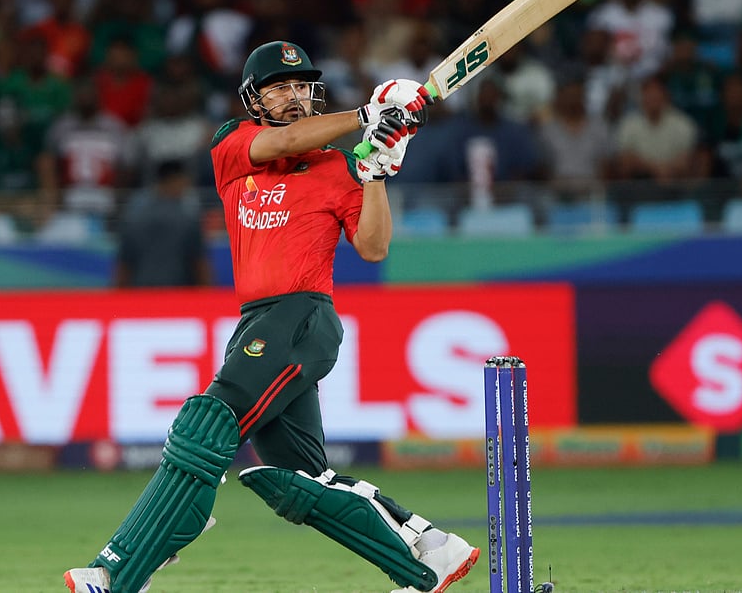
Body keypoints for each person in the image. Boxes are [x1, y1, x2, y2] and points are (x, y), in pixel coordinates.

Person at [62, 40, 479, 593]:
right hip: (260, 321)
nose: (293, 97)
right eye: (278, 87)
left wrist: (376, 169)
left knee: (207, 423)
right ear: (253, 100)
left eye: (301, 87)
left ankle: (122, 569)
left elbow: (374, 247)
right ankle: (431, 555)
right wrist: (362, 117)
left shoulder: (339, 169)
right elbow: (283, 141)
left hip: (300, 316)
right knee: (300, 481)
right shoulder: (233, 145)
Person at [114, 159, 209, 288]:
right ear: (173, 181)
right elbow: (199, 265)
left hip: (140, 294)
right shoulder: (188, 219)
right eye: (184, 182)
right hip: (179, 295)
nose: (186, 187)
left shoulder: (134, 218)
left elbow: (124, 268)